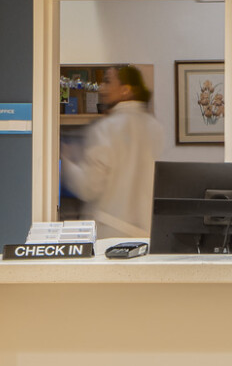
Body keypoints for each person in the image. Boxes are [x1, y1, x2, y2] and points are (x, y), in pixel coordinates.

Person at [59, 65, 163, 238]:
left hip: (110, 233)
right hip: (146, 232)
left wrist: (66, 160)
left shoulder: (105, 128)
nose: (101, 88)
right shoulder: (155, 127)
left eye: (107, 81)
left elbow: (89, 188)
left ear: (125, 90)